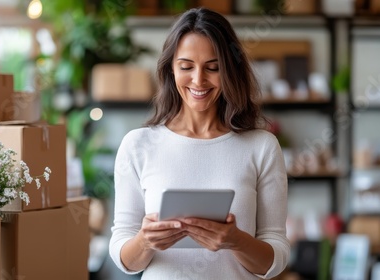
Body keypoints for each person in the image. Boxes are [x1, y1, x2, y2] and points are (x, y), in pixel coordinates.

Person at [109, 7, 289, 279]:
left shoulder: (261, 146)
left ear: (230, 70)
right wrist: (144, 242)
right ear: (170, 68)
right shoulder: (138, 145)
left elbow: (276, 256)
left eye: (213, 68)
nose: (198, 80)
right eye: (186, 66)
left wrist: (236, 241)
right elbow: (123, 253)